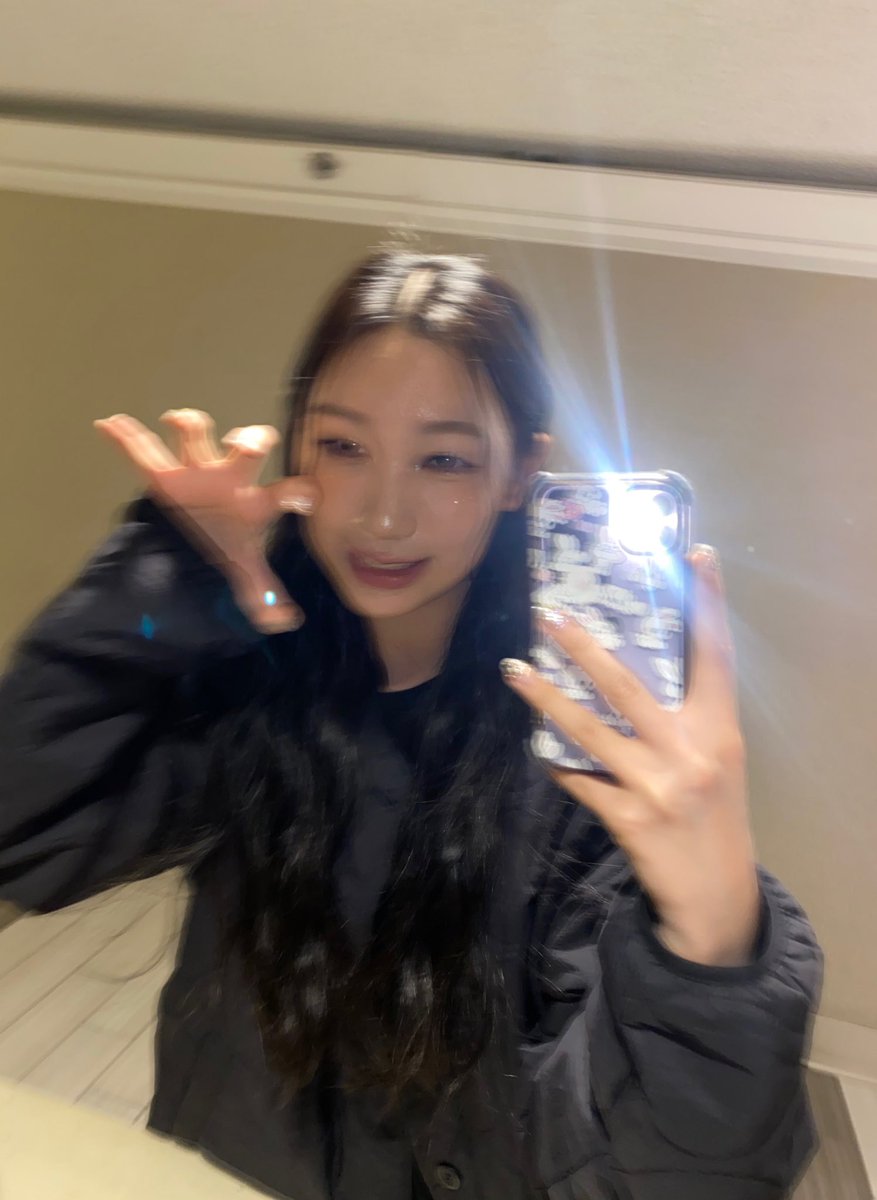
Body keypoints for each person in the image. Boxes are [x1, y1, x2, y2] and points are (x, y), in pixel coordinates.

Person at [0, 250, 821, 1200]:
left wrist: (714, 944)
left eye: (444, 460)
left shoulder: (582, 757)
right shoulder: (254, 678)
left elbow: (663, 1177)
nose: (384, 518)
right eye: (343, 447)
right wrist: (160, 581)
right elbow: (26, 837)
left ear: (520, 474)